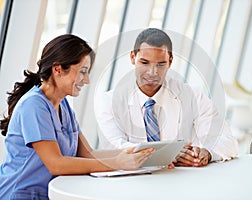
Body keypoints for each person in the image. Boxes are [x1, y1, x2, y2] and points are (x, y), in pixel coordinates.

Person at [0, 34, 153, 199]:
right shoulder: (33, 105)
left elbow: (88, 154)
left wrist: (136, 154)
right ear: (58, 69)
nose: (86, 80)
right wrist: (116, 163)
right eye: (82, 72)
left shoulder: (63, 105)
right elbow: (56, 164)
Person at [95, 28, 238, 167]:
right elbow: (113, 148)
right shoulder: (109, 101)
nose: (152, 72)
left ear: (170, 61)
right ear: (133, 57)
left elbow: (227, 140)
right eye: (144, 63)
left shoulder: (193, 95)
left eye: (161, 64)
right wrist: (169, 153)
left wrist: (206, 153)